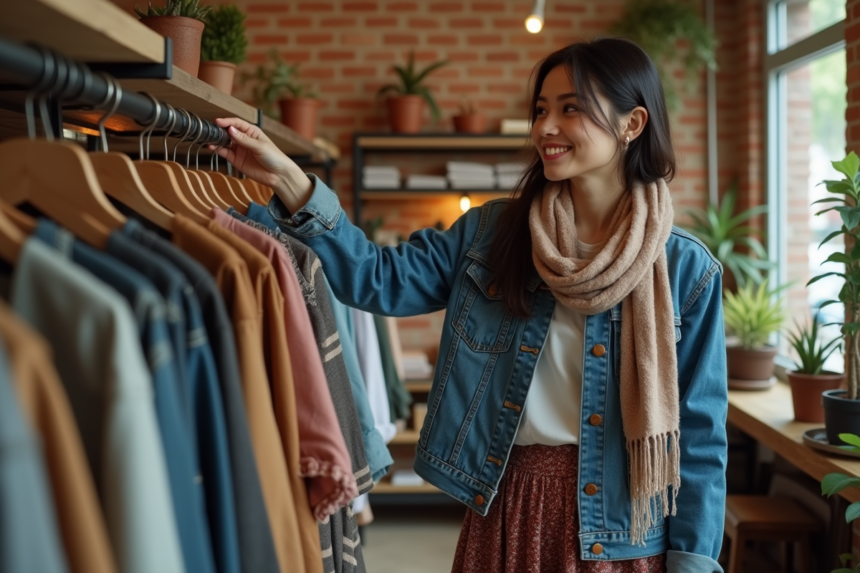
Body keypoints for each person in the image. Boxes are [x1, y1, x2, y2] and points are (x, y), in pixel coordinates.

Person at [211, 37, 728, 573]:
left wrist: (692, 561)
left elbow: (700, 436)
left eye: (570, 108)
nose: (545, 127)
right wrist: (288, 178)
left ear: (632, 123)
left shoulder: (685, 270)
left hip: (625, 532)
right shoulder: (493, 234)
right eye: (541, 110)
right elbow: (375, 279)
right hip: (509, 507)